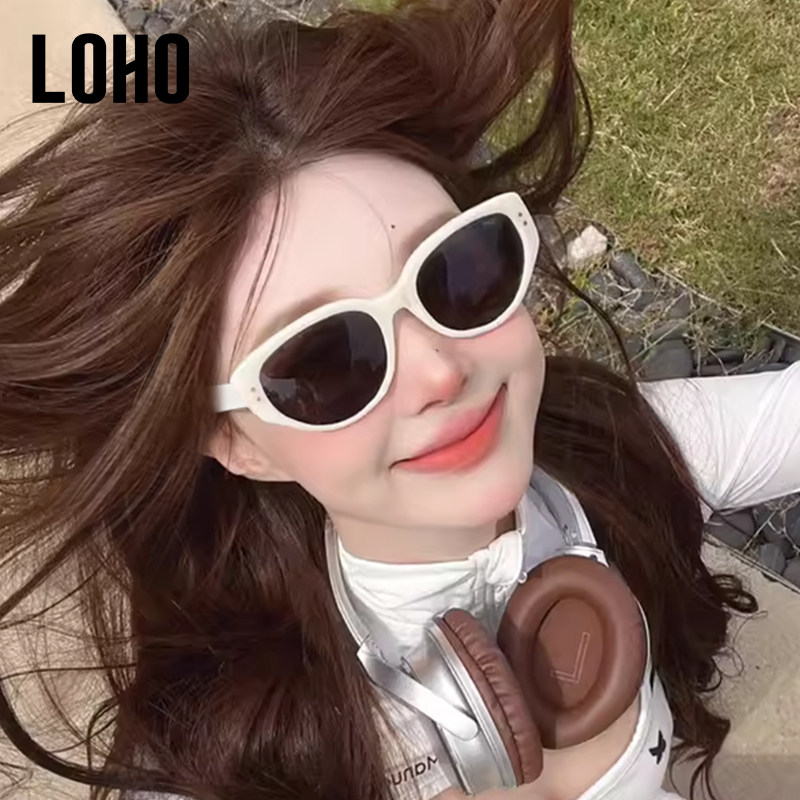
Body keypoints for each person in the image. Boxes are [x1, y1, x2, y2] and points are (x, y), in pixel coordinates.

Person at [0, 2, 796, 799]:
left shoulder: (614, 454)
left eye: (458, 271)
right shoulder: (237, 762)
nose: (440, 371)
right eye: (325, 360)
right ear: (238, 442)